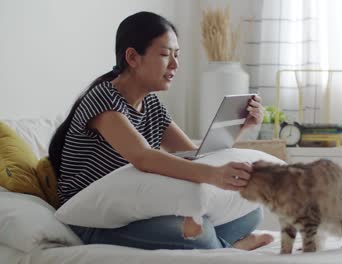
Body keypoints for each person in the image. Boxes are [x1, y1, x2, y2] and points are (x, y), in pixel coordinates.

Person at [48, 11, 273, 250]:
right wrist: (214, 175)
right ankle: (230, 248)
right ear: (133, 57)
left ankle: (219, 245)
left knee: (252, 212)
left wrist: (240, 128)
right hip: (94, 222)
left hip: (133, 213)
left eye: (177, 55)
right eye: (166, 55)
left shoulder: (152, 105)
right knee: (199, 232)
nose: (175, 65)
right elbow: (144, 158)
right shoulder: (103, 99)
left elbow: (195, 154)